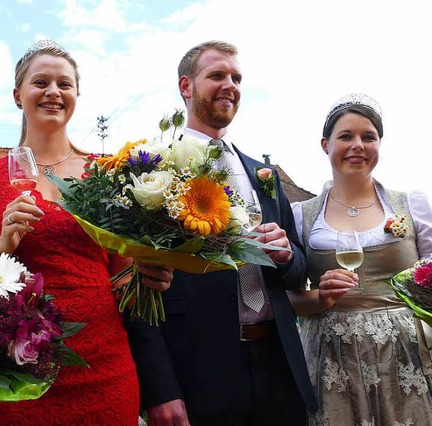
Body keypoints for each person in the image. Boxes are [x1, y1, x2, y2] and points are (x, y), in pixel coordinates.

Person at [0, 39, 173, 425]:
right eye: (40, 82)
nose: (53, 92)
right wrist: (4, 244)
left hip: (103, 367)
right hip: (17, 371)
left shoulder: (106, 173)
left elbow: (121, 276)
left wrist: (146, 277)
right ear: (17, 94)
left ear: (76, 95)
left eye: (64, 84)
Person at [124, 40, 318, 426]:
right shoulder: (151, 171)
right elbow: (137, 290)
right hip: (200, 370)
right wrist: (161, 388)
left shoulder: (263, 175)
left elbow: (299, 271)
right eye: (217, 75)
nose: (230, 85)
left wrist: (287, 255)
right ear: (186, 86)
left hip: (278, 367)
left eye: (237, 78)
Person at [288, 93, 432, 425]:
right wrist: (320, 298)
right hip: (332, 357)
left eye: (369, 137)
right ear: (325, 144)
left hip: (406, 354)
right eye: (346, 136)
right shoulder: (300, 216)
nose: (358, 145)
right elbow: (289, 299)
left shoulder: (412, 204)